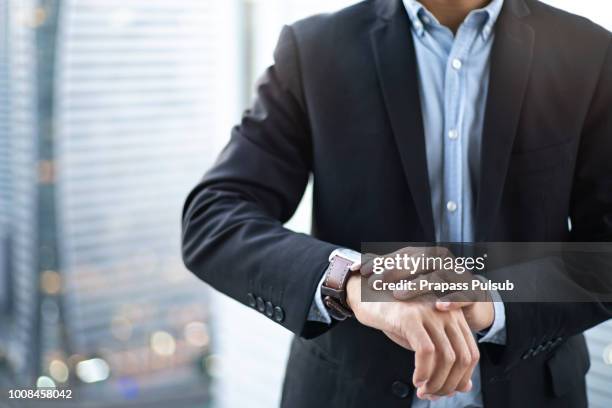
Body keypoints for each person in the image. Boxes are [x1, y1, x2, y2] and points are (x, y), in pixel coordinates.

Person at [181, 0, 612, 406]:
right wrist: (354, 282)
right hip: (347, 392)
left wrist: (492, 300)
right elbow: (214, 216)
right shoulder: (315, 49)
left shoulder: (589, 52)